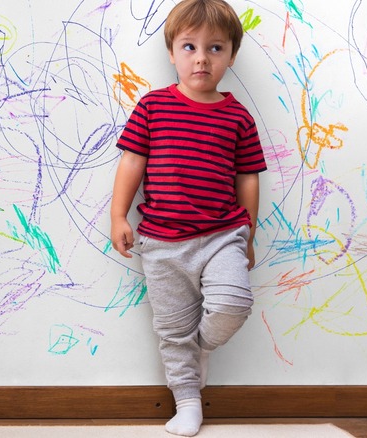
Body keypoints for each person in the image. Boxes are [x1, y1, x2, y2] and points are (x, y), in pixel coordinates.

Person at [109, 0, 267, 436]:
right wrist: (118, 214)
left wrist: (248, 234)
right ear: (172, 52)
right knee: (171, 329)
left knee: (234, 305)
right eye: (190, 46)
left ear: (231, 55)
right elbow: (131, 162)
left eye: (215, 48)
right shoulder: (153, 107)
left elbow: (248, 177)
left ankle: (197, 348)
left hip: (223, 235)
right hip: (162, 242)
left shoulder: (237, 116)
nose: (201, 58)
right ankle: (188, 401)